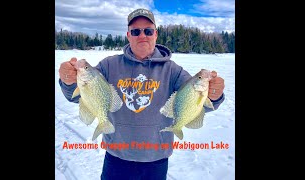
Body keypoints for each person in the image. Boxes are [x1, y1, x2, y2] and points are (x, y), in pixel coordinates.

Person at [58, 8, 225, 180]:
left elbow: (193, 103)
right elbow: (79, 96)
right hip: (116, 157)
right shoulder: (108, 65)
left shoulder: (173, 70)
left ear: (155, 34)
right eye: (136, 31)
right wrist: (68, 81)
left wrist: (214, 95)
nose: (142, 35)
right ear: (128, 35)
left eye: (148, 31)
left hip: (156, 160)